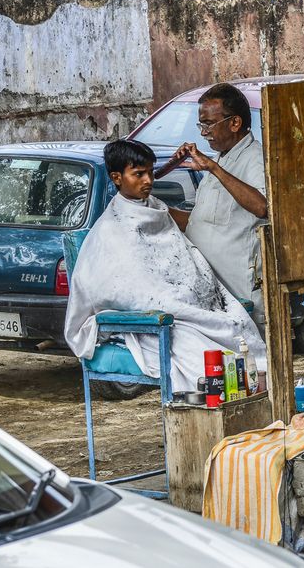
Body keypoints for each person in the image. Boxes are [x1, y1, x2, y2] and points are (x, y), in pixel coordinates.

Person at [64, 140, 265, 392]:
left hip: (187, 303)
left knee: (237, 330)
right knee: (200, 352)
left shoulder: (156, 208)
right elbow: (116, 287)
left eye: (150, 172)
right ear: (117, 177)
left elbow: (183, 251)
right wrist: (172, 300)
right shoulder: (111, 227)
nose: (148, 180)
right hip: (159, 313)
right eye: (138, 174)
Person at [168, 83, 268, 305]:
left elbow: (262, 207)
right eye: (201, 125)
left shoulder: (254, 157)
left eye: (209, 124)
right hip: (212, 289)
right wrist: (156, 209)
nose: (204, 133)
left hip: (240, 289)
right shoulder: (222, 158)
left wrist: (213, 168)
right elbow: (199, 222)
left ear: (234, 123)